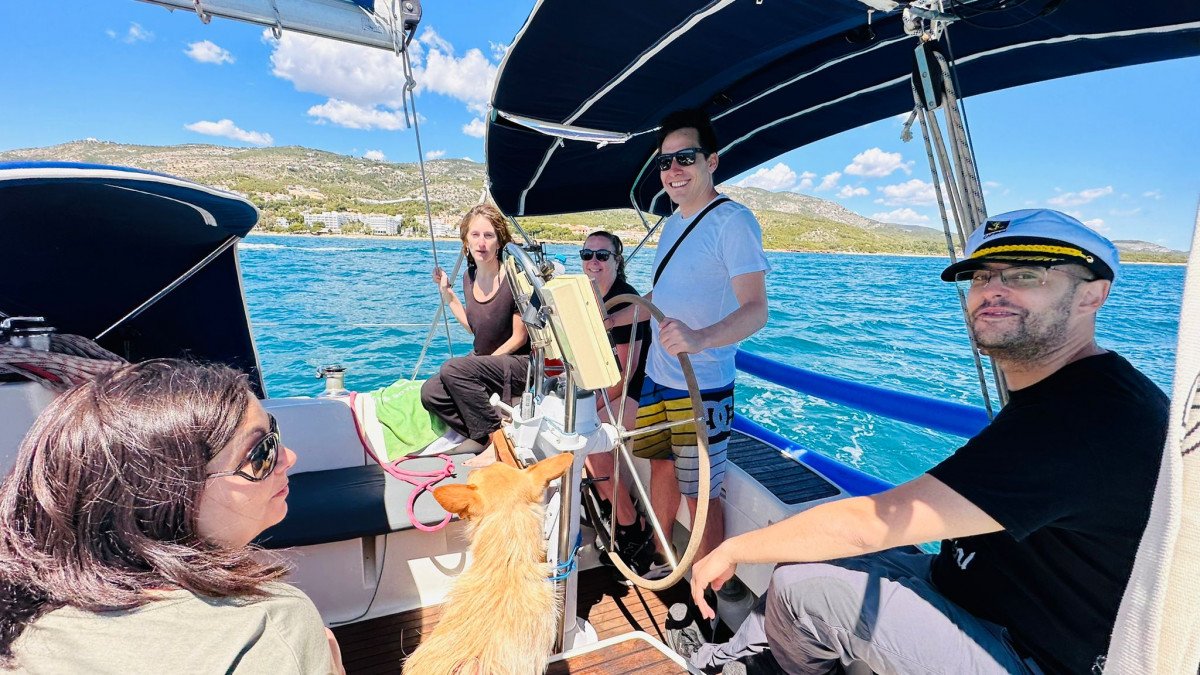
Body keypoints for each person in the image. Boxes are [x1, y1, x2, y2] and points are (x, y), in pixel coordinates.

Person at [678, 209, 1169, 675]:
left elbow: (873, 523)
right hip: (979, 594)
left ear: (1092, 295)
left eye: (1025, 274)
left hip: (1030, 654)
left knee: (801, 586)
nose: (992, 290)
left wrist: (733, 548)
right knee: (808, 555)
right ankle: (735, 660)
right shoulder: (1082, 387)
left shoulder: (1086, 419)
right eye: (981, 276)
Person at [0, 359, 344, 674]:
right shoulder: (267, 626)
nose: (290, 457)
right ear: (167, 496)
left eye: (276, 435)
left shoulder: (19, 617)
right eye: (261, 453)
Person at [614, 109, 770, 579]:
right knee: (661, 467)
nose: (673, 171)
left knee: (702, 496)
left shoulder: (734, 223)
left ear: (712, 161)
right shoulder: (673, 221)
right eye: (665, 162)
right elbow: (665, 296)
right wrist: (616, 312)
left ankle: (709, 602)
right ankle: (661, 557)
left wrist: (700, 338)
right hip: (660, 376)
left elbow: (756, 309)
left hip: (699, 386)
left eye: (685, 158)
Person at [420, 204, 531, 455]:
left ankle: (497, 443)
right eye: (475, 235)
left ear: (499, 242)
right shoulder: (468, 278)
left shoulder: (513, 279)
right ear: (466, 241)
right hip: (484, 362)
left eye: (489, 235)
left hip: (518, 364)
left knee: (453, 368)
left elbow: (519, 337)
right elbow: (475, 328)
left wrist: (480, 366)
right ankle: (480, 436)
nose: (481, 243)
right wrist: (448, 295)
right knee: (430, 393)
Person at [576, 231, 656, 570]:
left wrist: (584, 410)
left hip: (633, 392)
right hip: (602, 389)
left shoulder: (625, 301)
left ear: (617, 261)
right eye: (587, 254)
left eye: (602, 256)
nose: (593, 261)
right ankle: (606, 505)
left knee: (590, 438)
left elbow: (623, 376)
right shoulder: (585, 298)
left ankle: (629, 525)